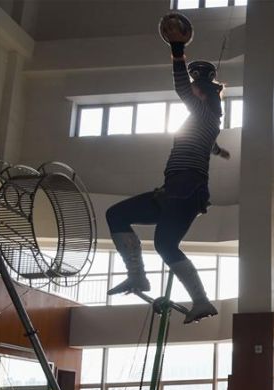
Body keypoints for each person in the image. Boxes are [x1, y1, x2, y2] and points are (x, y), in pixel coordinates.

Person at [105, 20, 222, 324]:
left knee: (165, 245)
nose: (189, 92)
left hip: (186, 189)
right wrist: (218, 151)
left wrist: (177, 48)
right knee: (117, 215)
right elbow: (205, 143)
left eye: (194, 89)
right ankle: (137, 276)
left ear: (201, 93)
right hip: (174, 191)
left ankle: (201, 300)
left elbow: (181, 87)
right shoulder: (204, 121)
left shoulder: (203, 113)